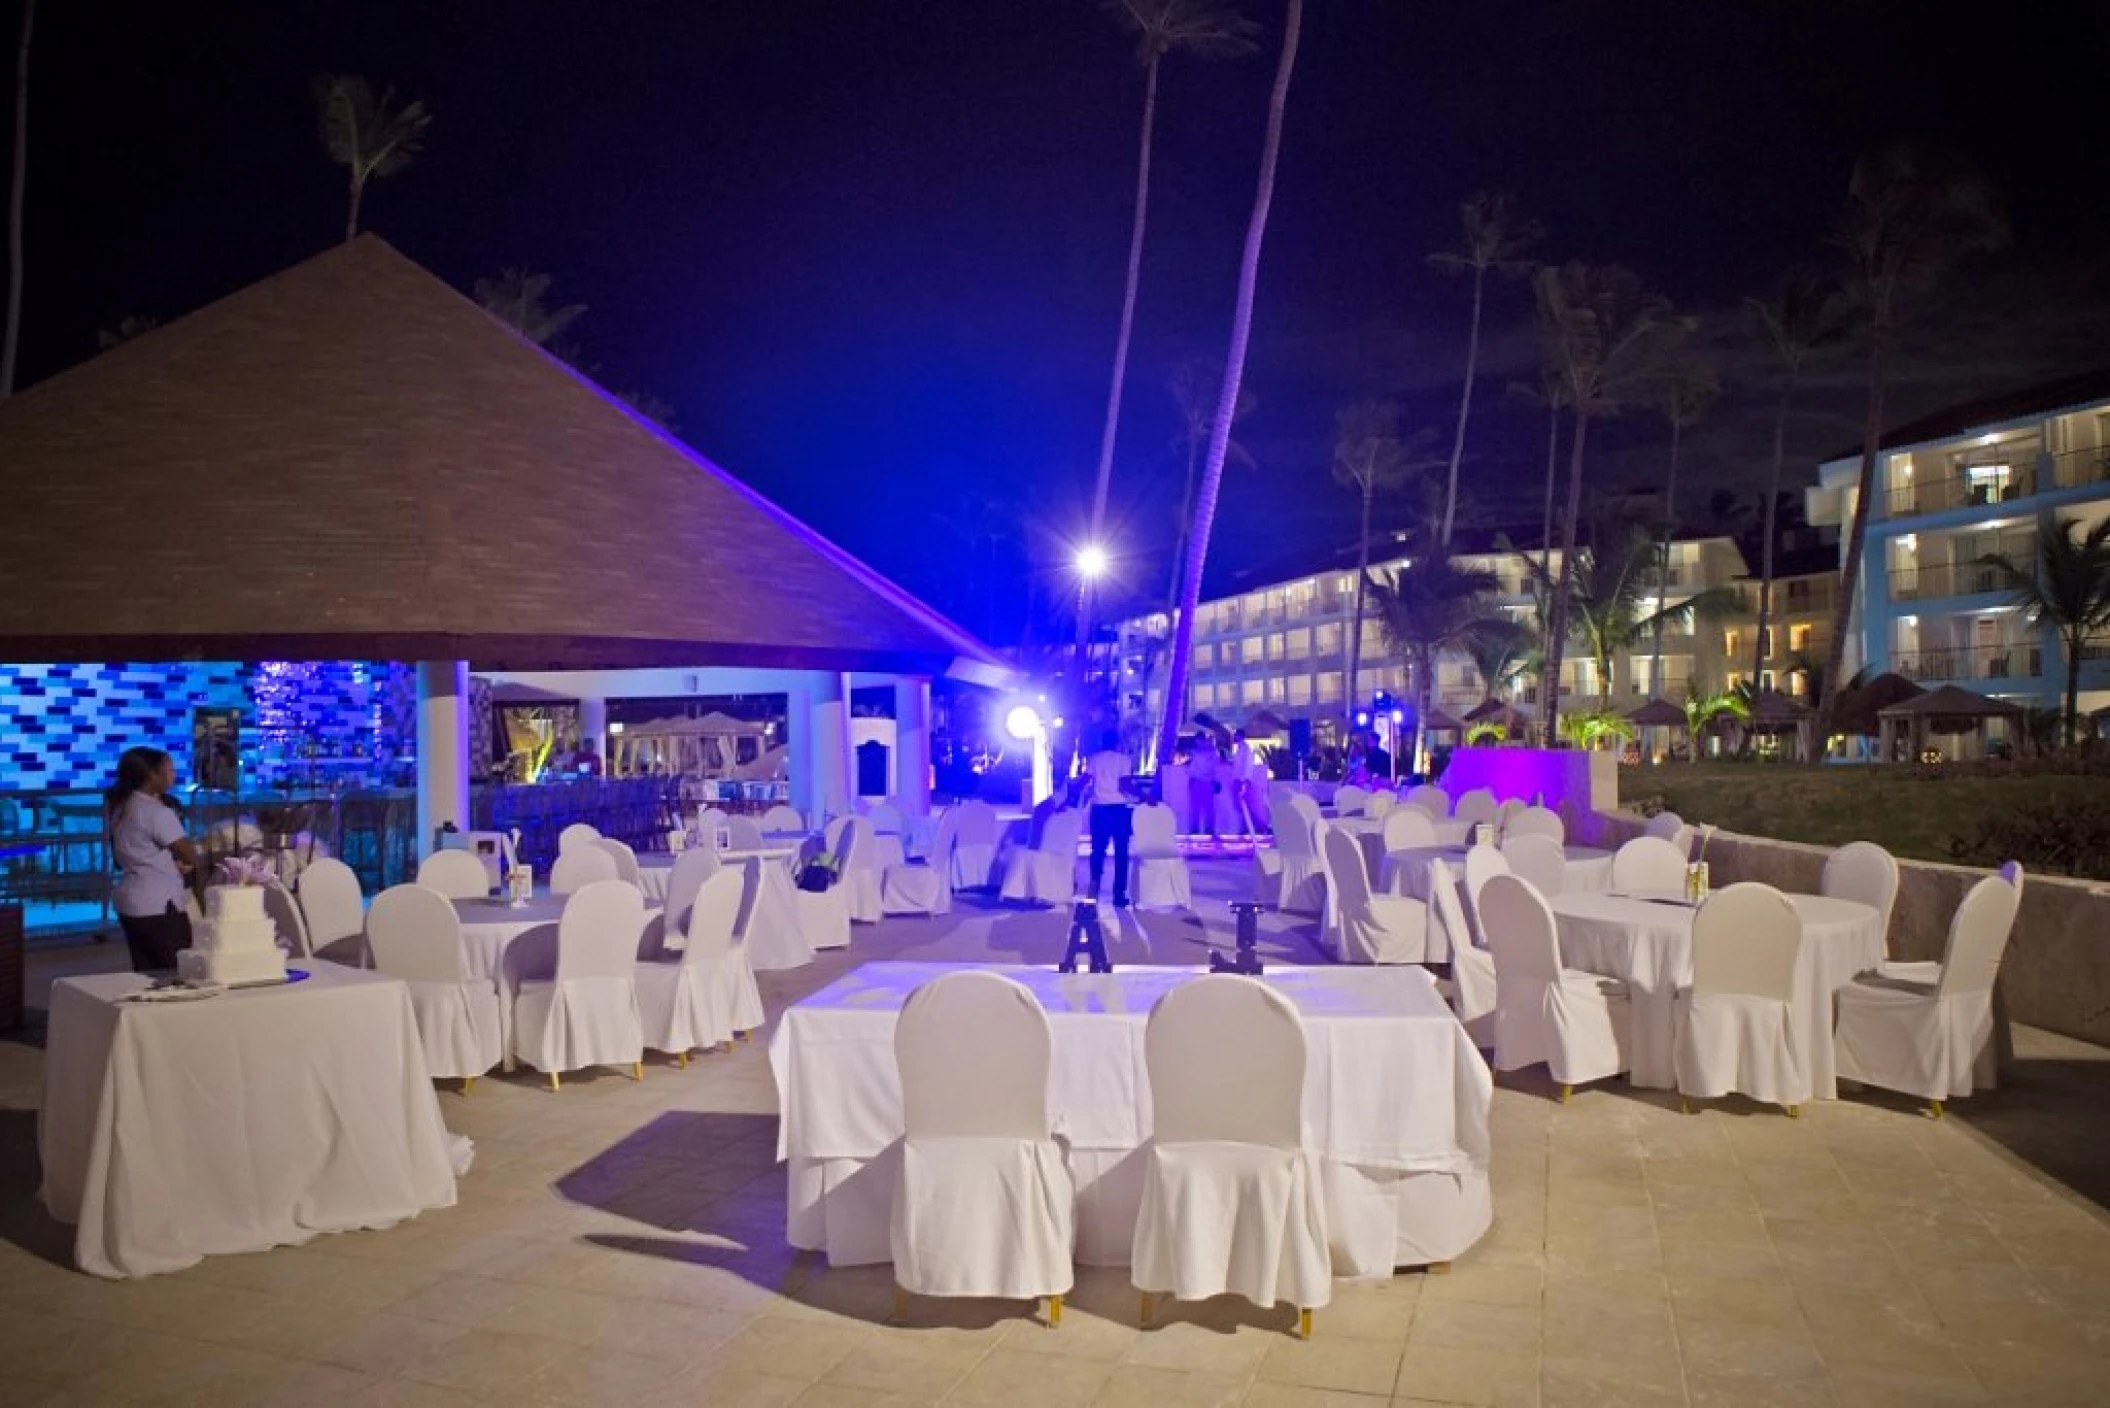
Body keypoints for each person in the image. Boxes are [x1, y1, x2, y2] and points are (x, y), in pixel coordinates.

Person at [105, 746, 201, 972]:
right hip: (158, 904)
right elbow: (189, 854)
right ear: (151, 775)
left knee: (145, 970)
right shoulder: (156, 812)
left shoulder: (121, 807)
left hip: (130, 900)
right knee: (175, 969)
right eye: (168, 770)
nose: (173, 776)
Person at [1083, 731, 1135, 907]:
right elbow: (1125, 784)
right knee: (1122, 851)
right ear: (1117, 742)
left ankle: (1094, 890)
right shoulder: (1124, 760)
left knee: (1098, 850)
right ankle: (1118, 895)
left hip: (1099, 809)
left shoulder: (1094, 759)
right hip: (1119, 809)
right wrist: (1144, 796)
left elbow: (1086, 780)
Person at [1187, 731, 1222, 844]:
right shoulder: (1213, 751)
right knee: (1209, 808)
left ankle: (1195, 831)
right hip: (1209, 782)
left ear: (1198, 739)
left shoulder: (1196, 752)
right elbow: (1216, 768)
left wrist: (1190, 780)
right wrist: (1216, 781)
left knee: (1196, 808)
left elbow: (1193, 769)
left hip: (1198, 782)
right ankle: (1209, 831)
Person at [1228, 729, 1259, 836]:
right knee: (1241, 806)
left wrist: (1242, 781)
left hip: (1242, 780)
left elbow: (1246, 766)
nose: (1234, 738)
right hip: (1240, 780)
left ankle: (1253, 827)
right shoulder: (1241, 748)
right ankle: (1246, 827)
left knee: (1244, 805)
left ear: (1240, 736)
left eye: (1236, 736)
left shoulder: (1245, 748)